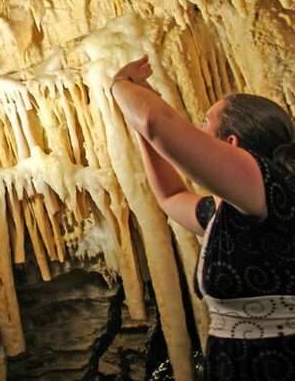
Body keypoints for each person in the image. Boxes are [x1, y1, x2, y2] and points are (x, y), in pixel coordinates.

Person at [110, 56, 295, 380]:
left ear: (232, 144)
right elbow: (170, 196)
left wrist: (120, 85)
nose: (196, 129)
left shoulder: (269, 183)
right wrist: (141, 124)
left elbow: (157, 123)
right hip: (235, 363)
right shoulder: (226, 213)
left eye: (205, 121)